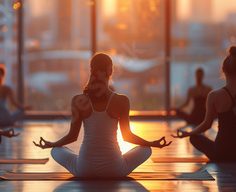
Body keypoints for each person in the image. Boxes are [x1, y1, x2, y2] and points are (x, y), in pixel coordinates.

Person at [33, 53, 171, 178]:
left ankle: (70, 154)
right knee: (146, 149)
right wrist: (152, 143)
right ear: (110, 71)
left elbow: (72, 136)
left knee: (56, 150)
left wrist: (51, 144)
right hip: (115, 169)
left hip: (84, 169)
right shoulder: (122, 100)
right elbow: (127, 136)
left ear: (91, 71)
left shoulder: (78, 100)